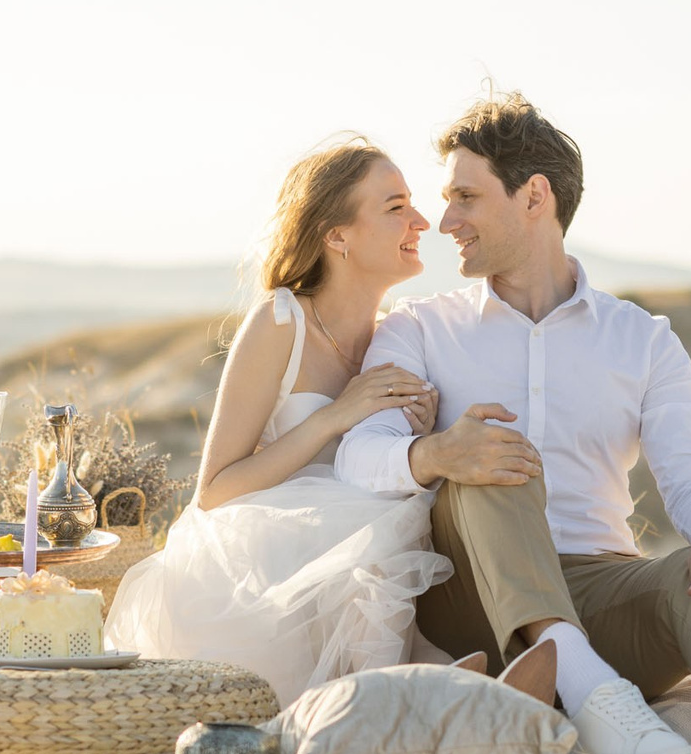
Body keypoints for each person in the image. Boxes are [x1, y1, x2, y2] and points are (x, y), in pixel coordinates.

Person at [336, 92, 691, 754]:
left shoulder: (641, 338)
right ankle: (599, 704)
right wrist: (436, 455)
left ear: (534, 197)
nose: (445, 220)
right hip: (469, 607)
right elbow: (357, 457)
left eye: (465, 198)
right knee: (492, 458)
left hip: (602, 590)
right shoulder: (418, 329)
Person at [105, 140, 452, 703]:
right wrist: (334, 418)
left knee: (395, 538)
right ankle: (375, 711)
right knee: (376, 553)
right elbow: (214, 491)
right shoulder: (280, 321)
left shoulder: (399, 335)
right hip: (262, 562)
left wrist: (423, 433)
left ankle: (423, 700)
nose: (422, 221)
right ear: (336, 235)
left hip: (363, 552)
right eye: (395, 207)